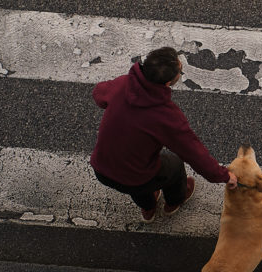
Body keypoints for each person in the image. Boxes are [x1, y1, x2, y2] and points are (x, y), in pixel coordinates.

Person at [90, 47, 237, 223]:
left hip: (102, 168)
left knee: (134, 185)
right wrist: (224, 175)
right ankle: (175, 200)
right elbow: (195, 154)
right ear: (167, 83)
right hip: (136, 176)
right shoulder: (166, 116)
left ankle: (148, 207)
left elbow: (99, 94)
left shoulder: (123, 83)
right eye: (179, 71)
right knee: (173, 164)